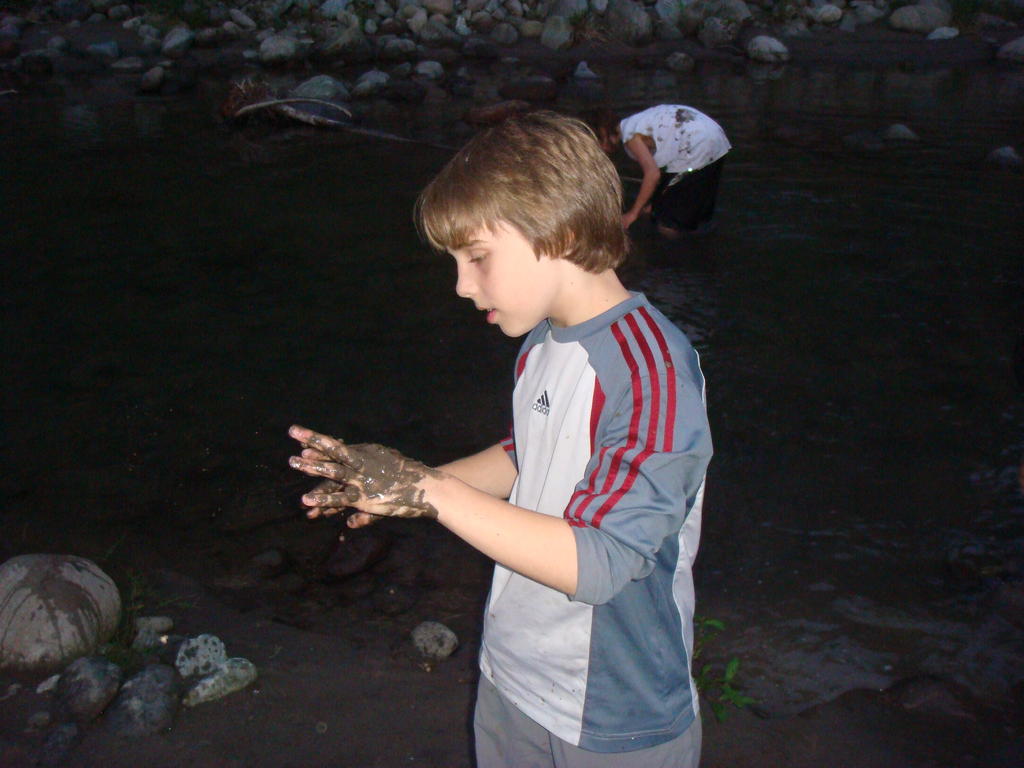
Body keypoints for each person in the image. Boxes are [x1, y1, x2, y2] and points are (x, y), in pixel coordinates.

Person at [288, 110, 712, 768]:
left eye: (478, 257)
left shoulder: (651, 371)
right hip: (512, 674)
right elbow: (525, 456)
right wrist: (408, 487)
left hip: (613, 713)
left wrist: (428, 490)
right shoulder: (543, 340)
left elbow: (604, 561)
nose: (461, 285)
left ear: (560, 232)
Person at [586, 104, 731, 238]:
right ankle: (702, 232)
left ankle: (683, 251)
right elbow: (662, 172)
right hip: (715, 139)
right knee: (682, 210)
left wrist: (632, 214)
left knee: (667, 224)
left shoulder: (630, 137)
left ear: (603, 133)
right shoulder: (635, 123)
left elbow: (652, 174)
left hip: (698, 146)